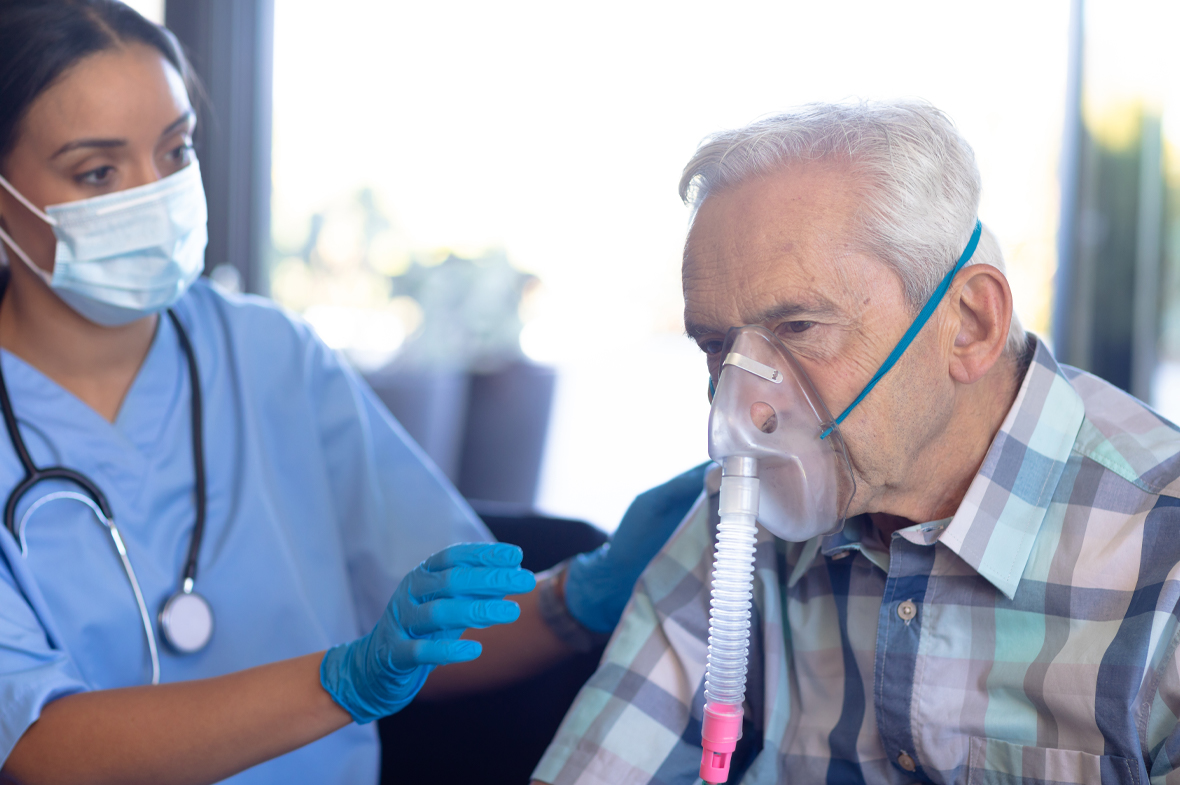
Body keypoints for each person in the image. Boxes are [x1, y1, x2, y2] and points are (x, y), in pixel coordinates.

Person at [0, 2, 704, 783]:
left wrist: (588, 589)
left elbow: (439, 637)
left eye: (176, 151)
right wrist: (343, 679)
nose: (154, 195)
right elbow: (35, 745)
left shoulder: (271, 354)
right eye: (98, 172)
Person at [532, 101, 1180, 785]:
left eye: (800, 327)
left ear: (968, 324)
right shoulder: (741, 520)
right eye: (717, 345)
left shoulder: (1163, 560)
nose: (746, 406)